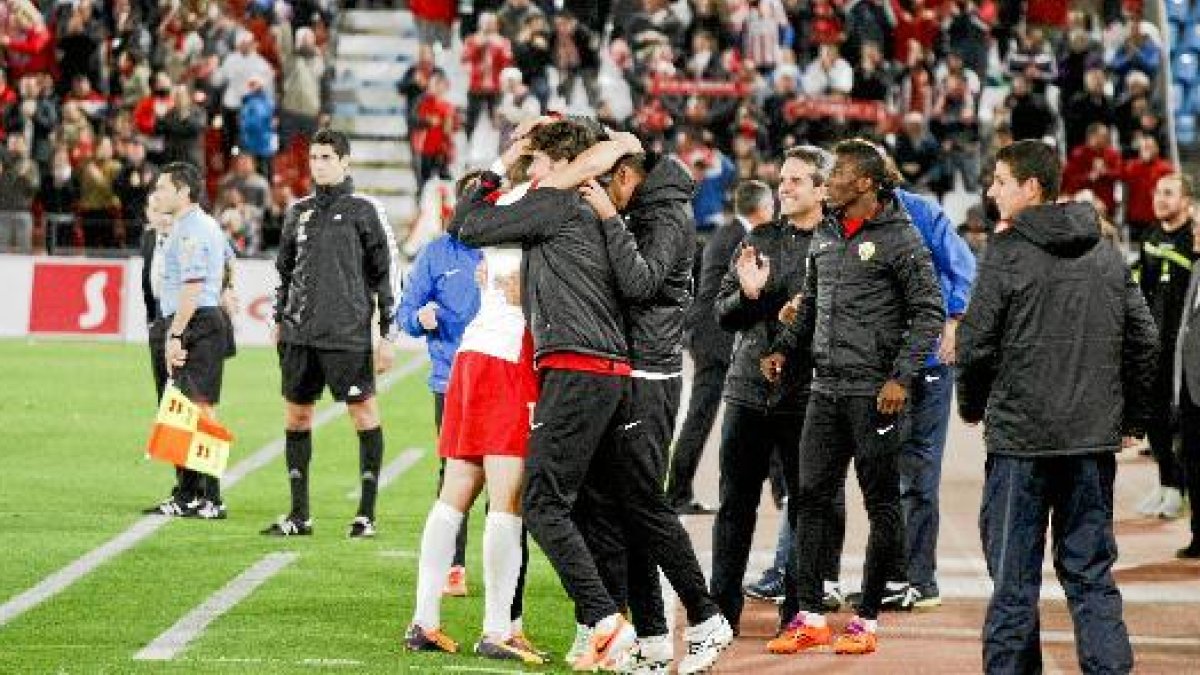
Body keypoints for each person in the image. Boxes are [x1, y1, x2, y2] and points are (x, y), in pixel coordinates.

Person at [452, 120, 732, 673]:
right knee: (607, 508)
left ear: (561, 165)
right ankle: (646, 636)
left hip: (602, 370)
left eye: (536, 164)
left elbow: (468, 223)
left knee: (552, 502)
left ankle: (618, 622)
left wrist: (501, 164)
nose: (529, 174)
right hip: (611, 370)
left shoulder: (565, 203)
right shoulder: (606, 208)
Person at [958, 139, 1157, 675]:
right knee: (1091, 574)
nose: (992, 190)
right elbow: (1144, 339)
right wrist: (1132, 419)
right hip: (1090, 443)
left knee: (1013, 580)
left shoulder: (1004, 253)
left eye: (1000, 180)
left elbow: (975, 344)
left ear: (1031, 187)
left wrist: (972, 407)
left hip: (1020, 444)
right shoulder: (1106, 250)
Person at [762, 138, 944, 656]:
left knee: (881, 502)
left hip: (875, 394)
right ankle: (812, 614)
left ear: (864, 182)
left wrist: (900, 378)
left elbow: (929, 312)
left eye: (837, 172)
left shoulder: (902, 239)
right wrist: (782, 349)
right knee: (812, 498)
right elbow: (813, 305)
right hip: (825, 390)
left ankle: (866, 619)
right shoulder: (825, 232)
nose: (828, 180)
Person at [572, 137, 730, 674]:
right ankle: (655, 638)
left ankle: (708, 619)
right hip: (633, 367)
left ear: (624, 176)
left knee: (645, 504)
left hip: (651, 373)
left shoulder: (666, 215)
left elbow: (640, 283)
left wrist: (608, 223)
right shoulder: (654, 209)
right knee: (625, 508)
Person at [405, 165, 544, 665]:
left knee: (454, 495)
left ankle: (424, 620)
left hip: (470, 356)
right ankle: (497, 628)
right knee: (508, 500)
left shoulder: (496, 205)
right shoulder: (543, 206)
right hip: (507, 358)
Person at [709, 153, 828, 634]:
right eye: (783, 180)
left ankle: (797, 613)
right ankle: (720, 614)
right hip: (746, 392)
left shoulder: (835, 244)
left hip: (806, 397)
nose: (785, 188)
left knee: (806, 505)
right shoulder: (758, 238)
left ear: (822, 189)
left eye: (797, 180)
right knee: (735, 506)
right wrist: (750, 295)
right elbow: (722, 312)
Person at [263, 129, 400, 538]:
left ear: (345, 162)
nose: (318, 164)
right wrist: (279, 319)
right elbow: (284, 273)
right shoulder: (298, 212)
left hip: (347, 335)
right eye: (314, 157)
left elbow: (386, 275)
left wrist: (388, 334)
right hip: (300, 336)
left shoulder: (365, 210)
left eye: (326, 157)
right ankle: (299, 515)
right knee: (297, 415)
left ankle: (365, 515)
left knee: (363, 415)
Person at [397, 172, 485, 594]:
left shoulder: (507, 250)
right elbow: (405, 312)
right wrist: (419, 319)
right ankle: (454, 564)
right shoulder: (436, 252)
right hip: (450, 380)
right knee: (454, 468)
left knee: (511, 476)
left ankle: (511, 574)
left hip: (503, 377)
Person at [143, 162, 234, 520]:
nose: (159, 193)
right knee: (184, 409)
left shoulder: (192, 230)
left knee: (200, 408)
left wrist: (176, 333)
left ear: (183, 192)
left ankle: (212, 496)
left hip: (197, 322)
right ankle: (188, 494)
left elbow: (193, 287)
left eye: (164, 187)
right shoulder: (196, 226)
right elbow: (228, 259)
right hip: (197, 319)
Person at [667, 183, 744, 515]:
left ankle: (679, 492)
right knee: (700, 416)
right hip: (714, 336)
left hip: (709, 331)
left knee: (708, 414)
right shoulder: (736, 237)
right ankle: (677, 493)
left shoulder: (727, 233)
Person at [1134, 173, 1195, 519]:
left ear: (1186, 202)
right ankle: (1165, 484)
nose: (1160, 198)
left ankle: (1181, 489)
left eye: (1169, 193)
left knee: (1181, 422)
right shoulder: (1150, 237)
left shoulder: (1193, 242)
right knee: (1154, 418)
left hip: (1184, 350)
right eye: (1158, 192)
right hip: (1154, 345)